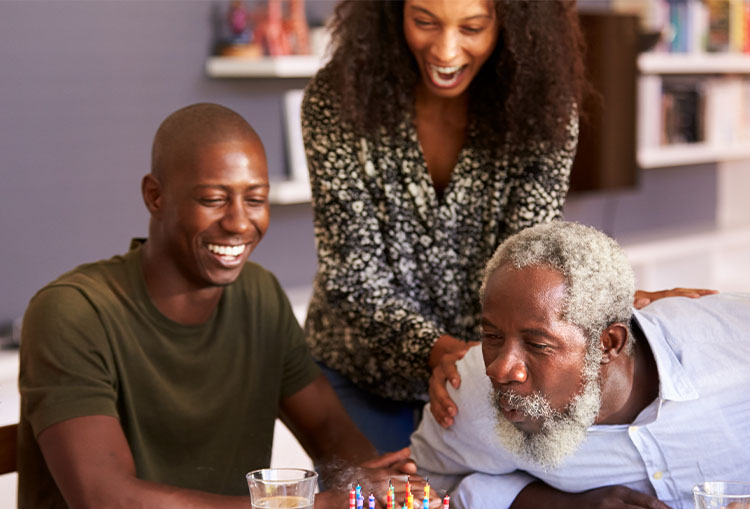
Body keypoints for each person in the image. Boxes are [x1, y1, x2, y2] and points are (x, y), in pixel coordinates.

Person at [17, 103, 415, 509]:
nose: (239, 223)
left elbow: (329, 431)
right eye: (213, 199)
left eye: (255, 198)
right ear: (155, 196)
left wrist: (379, 487)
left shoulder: (260, 294)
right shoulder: (72, 312)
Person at [301, 0, 709, 453]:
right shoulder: (339, 97)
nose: (446, 50)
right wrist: (441, 352)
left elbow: (529, 258)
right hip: (361, 369)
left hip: (489, 371)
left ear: (513, 24)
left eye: (472, 27)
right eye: (424, 22)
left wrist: (617, 307)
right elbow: (351, 275)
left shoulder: (544, 108)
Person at [410, 221, 750, 509]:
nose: (501, 369)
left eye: (537, 344)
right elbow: (423, 485)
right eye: (493, 336)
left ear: (609, 343)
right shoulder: (472, 391)